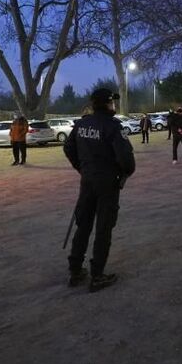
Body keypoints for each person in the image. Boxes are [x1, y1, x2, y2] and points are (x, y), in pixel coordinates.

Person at [63, 88, 135, 292]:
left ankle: (75, 270)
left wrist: (82, 168)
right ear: (107, 103)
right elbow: (126, 159)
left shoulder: (82, 124)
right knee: (104, 228)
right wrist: (125, 172)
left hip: (87, 181)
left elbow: (68, 148)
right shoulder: (112, 126)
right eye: (112, 102)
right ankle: (97, 275)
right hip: (107, 183)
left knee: (83, 225)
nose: (114, 106)